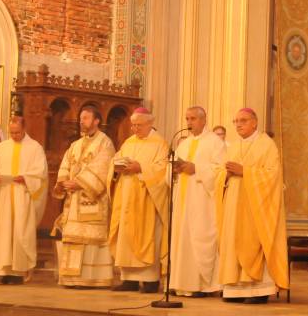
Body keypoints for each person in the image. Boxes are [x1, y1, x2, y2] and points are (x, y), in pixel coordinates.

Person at [215, 108, 288, 303]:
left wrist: (244, 171)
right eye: (236, 121)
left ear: (255, 123)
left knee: (254, 241)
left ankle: (258, 291)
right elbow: (220, 174)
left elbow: (273, 175)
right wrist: (226, 175)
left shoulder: (267, 145)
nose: (238, 124)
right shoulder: (232, 146)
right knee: (232, 240)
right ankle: (234, 290)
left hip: (256, 206)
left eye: (243, 120)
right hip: (233, 203)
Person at [52, 106, 116, 288]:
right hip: (73, 200)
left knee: (90, 241)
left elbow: (103, 168)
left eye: (86, 118)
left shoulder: (105, 143)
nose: (82, 121)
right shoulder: (76, 144)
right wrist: (63, 181)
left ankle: (91, 279)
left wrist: (79, 183)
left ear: (96, 121)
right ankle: (72, 278)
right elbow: (66, 164)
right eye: (81, 118)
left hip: (92, 199)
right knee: (73, 238)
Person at [108, 107, 169, 293]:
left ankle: (150, 281)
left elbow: (162, 170)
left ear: (150, 123)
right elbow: (116, 160)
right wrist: (116, 168)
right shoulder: (128, 142)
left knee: (147, 236)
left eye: (139, 125)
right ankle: (129, 280)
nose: (135, 129)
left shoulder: (160, 144)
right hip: (126, 195)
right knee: (126, 236)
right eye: (133, 125)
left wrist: (140, 168)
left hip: (147, 198)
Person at [0, 116, 48, 284]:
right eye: (12, 132)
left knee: (20, 233)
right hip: (2, 196)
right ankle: (4, 271)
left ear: (24, 129)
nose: (15, 135)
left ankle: (18, 272)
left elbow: (40, 173)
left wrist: (26, 178)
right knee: (2, 233)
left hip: (22, 196)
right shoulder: (2, 147)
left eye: (17, 132)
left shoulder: (35, 148)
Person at [169, 106, 225, 297]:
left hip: (203, 200)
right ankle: (182, 283)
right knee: (182, 239)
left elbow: (220, 170)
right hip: (183, 199)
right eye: (187, 118)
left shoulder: (215, 142)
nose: (189, 123)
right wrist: (175, 169)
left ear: (203, 120)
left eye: (193, 118)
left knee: (200, 238)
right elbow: (175, 165)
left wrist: (197, 169)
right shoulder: (184, 144)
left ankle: (202, 285)